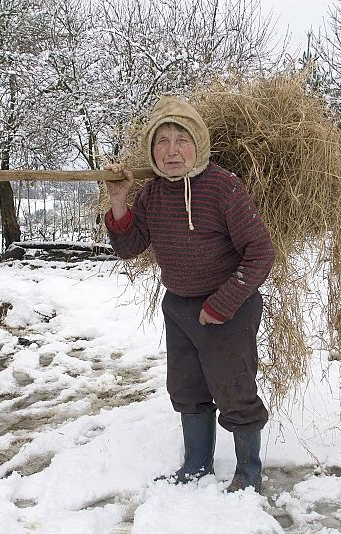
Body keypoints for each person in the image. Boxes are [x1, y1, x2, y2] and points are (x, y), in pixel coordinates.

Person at [104, 96, 275, 492]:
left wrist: (223, 304)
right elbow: (130, 247)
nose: (171, 150)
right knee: (187, 388)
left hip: (228, 309)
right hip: (179, 306)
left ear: (198, 143)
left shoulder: (224, 187)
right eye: (161, 141)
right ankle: (197, 463)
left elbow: (261, 253)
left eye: (181, 139)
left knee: (234, 388)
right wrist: (118, 199)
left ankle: (249, 470)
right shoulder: (151, 193)